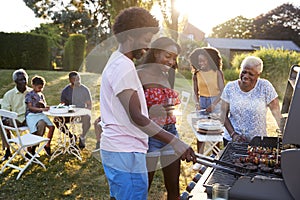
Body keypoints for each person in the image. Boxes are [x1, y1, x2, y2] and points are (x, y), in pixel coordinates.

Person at [99, 7, 196, 200]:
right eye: (145, 39)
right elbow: (137, 116)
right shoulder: (123, 67)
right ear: (131, 35)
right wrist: (175, 141)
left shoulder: (118, 61)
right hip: (125, 150)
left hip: (122, 149)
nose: (147, 46)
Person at [137, 37, 182, 200]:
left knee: (174, 190)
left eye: (174, 58)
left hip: (171, 132)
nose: (171, 61)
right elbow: (134, 109)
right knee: (143, 189)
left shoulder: (169, 74)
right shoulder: (140, 74)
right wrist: (152, 110)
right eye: (168, 56)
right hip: (150, 136)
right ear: (155, 53)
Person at [220, 55, 282, 145]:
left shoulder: (265, 86)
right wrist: (233, 134)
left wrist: (287, 136)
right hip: (232, 140)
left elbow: (277, 114)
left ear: (258, 74)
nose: (245, 76)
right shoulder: (230, 87)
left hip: (258, 142)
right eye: (244, 72)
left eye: (251, 74)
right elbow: (222, 114)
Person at [189, 47, 225, 170]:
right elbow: (195, 91)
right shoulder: (197, 74)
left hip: (215, 101)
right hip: (202, 101)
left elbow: (222, 91)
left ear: (210, 60)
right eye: (199, 61)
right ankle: (199, 159)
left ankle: (214, 157)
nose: (201, 63)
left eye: (204, 61)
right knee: (201, 131)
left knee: (215, 131)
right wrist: (197, 103)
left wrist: (214, 104)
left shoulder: (217, 73)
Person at [0, 69, 46, 162]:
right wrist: (6, 119)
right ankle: (8, 151)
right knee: (2, 124)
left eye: (25, 79)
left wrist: (41, 105)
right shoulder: (9, 95)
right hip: (15, 119)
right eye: (21, 80)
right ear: (15, 81)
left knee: (41, 123)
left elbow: (43, 106)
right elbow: (4, 111)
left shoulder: (33, 92)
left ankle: (32, 150)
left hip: (29, 118)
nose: (24, 82)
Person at [54, 71, 92, 149]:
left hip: (81, 113)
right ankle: (71, 136)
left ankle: (82, 137)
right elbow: (62, 105)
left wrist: (83, 112)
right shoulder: (65, 91)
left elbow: (89, 105)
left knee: (87, 117)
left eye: (79, 79)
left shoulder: (84, 89)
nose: (78, 81)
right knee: (56, 120)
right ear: (70, 80)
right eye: (75, 79)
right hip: (69, 114)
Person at [25, 76, 54, 156]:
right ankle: (32, 150)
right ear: (33, 85)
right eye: (39, 87)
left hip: (40, 114)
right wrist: (41, 109)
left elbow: (43, 104)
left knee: (52, 127)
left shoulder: (41, 95)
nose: (40, 89)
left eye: (42, 88)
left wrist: (46, 107)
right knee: (34, 132)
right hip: (31, 115)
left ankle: (47, 145)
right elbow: (30, 107)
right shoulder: (29, 95)